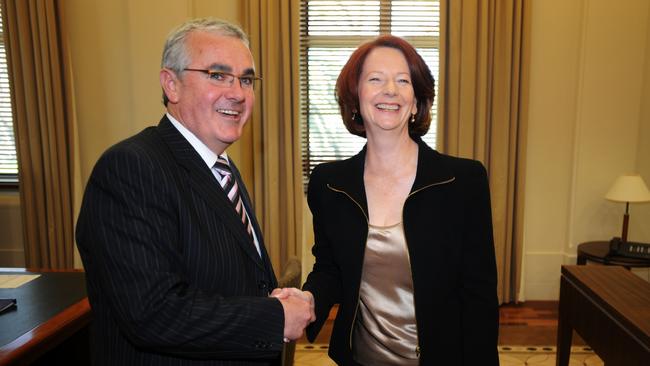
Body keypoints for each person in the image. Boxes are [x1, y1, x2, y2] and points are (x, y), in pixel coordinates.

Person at [76, 18, 314, 365]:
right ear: (171, 85)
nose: (237, 92)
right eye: (217, 75)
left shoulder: (220, 166)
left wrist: (272, 300)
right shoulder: (130, 168)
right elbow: (153, 313)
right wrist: (275, 317)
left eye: (246, 79)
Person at [300, 35, 499, 365]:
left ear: (417, 100)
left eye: (403, 80)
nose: (389, 89)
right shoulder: (329, 184)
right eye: (375, 79)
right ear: (356, 97)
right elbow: (330, 269)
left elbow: (479, 297)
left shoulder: (463, 181)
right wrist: (306, 300)